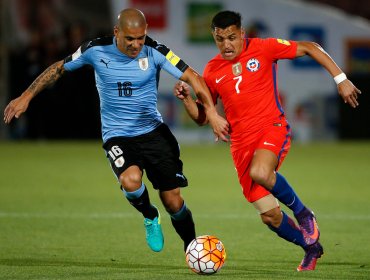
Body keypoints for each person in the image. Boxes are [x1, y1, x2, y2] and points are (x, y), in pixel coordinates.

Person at [3, 8, 229, 253]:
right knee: (131, 181)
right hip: (117, 135)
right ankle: (150, 215)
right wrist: (26, 96)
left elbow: (194, 77)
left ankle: (193, 249)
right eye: (129, 38)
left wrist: (213, 113)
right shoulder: (95, 50)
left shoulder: (155, 50)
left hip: (153, 132)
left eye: (140, 38)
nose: (136, 44)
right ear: (116, 32)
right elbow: (59, 68)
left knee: (173, 201)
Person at [174, 10, 361, 271]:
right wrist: (185, 101)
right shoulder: (213, 70)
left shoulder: (264, 48)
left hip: (271, 128)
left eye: (231, 37)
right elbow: (203, 118)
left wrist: (340, 79)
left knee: (261, 172)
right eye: (219, 39)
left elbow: (310, 47)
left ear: (241, 33)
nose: (226, 44)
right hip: (240, 144)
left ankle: (304, 213)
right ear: (214, 38)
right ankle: (310, 247)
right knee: (270, 216)